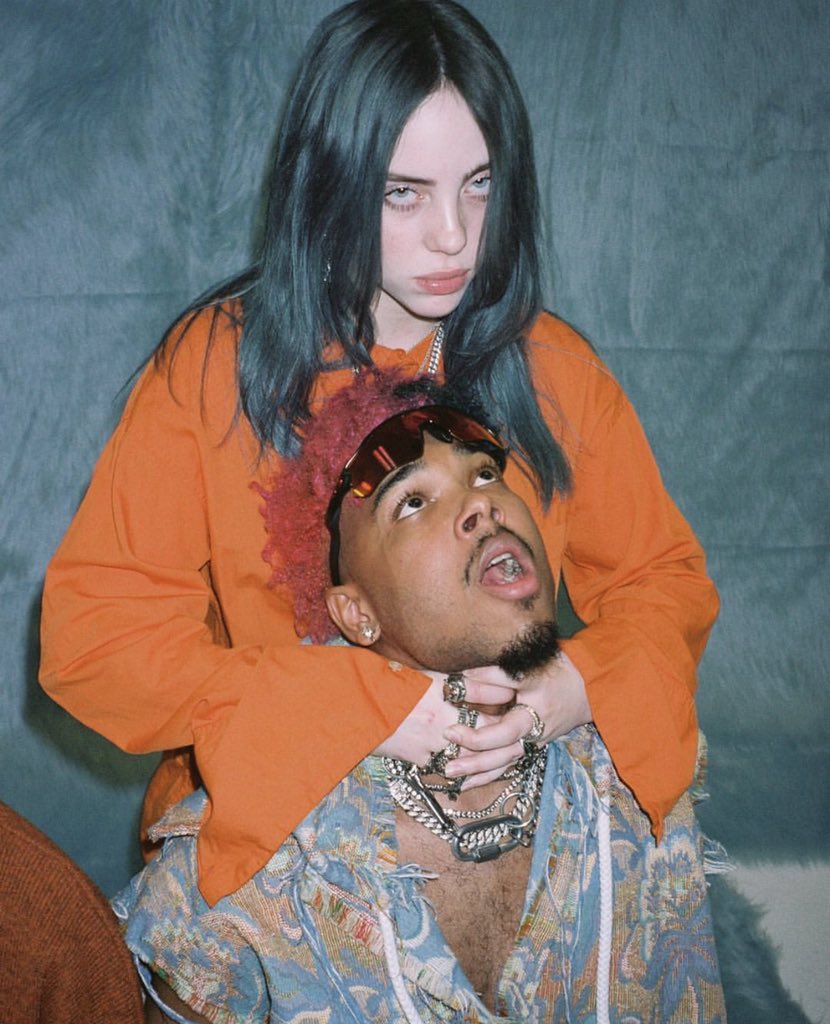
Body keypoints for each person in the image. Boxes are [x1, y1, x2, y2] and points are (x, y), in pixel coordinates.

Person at [39, 0, 719, 923]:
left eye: (478, 185)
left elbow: (663, 583)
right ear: (327, 181)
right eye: (404, 192)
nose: (454, 235)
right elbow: (97, 641)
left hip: (506, 837)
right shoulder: (213, 370)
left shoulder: (554, 371)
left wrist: (573, 684)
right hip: (278, 854)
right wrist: (351, 703)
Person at [113, 372, 725, 1023]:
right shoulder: (260, 846)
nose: (481, 505)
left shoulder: (636, 767)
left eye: (485, 473)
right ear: (357, 614)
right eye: (411, 502)